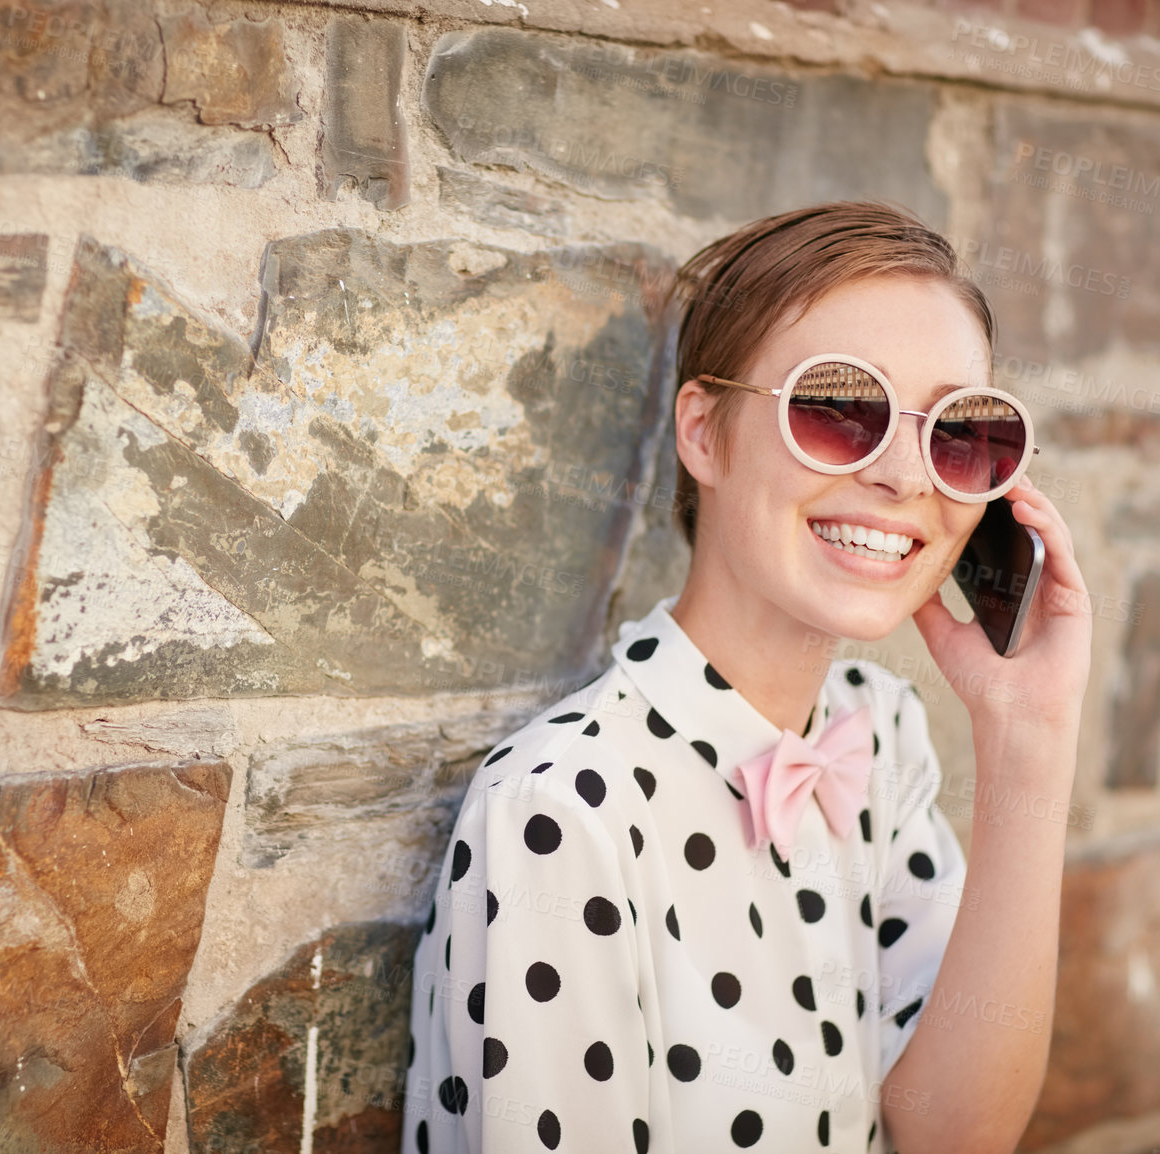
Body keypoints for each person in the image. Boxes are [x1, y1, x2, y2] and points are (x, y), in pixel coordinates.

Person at [401, 201, 1093, 1153]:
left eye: (959, 432)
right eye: (839, 408)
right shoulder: (559, 812)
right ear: (705, 434)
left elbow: (956, 1136)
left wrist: (1032, 740)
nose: (905, 477)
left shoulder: (879, 734)